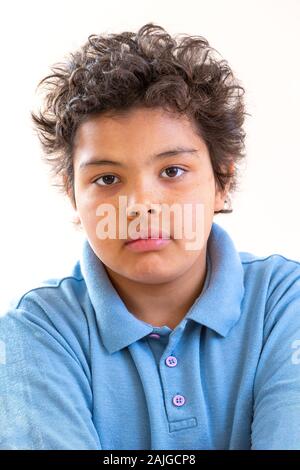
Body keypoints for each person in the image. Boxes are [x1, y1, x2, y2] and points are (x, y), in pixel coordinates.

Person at [1, 22, 300, 450]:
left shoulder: (286, 303)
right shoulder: (35, 332)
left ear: (222, 182)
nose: (140, 204)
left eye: (172, 171)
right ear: (73, 195)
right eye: (106, 178)